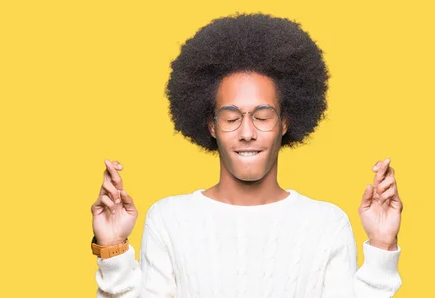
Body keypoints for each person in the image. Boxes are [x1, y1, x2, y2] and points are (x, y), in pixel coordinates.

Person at [90, 13, 403, 298]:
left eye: (263, 116)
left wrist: (382, 243)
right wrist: (112, 248)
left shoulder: (327, 223)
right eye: (230, 117)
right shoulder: (169, 219)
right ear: (212, 125)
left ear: (284, 122)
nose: (247, 132)